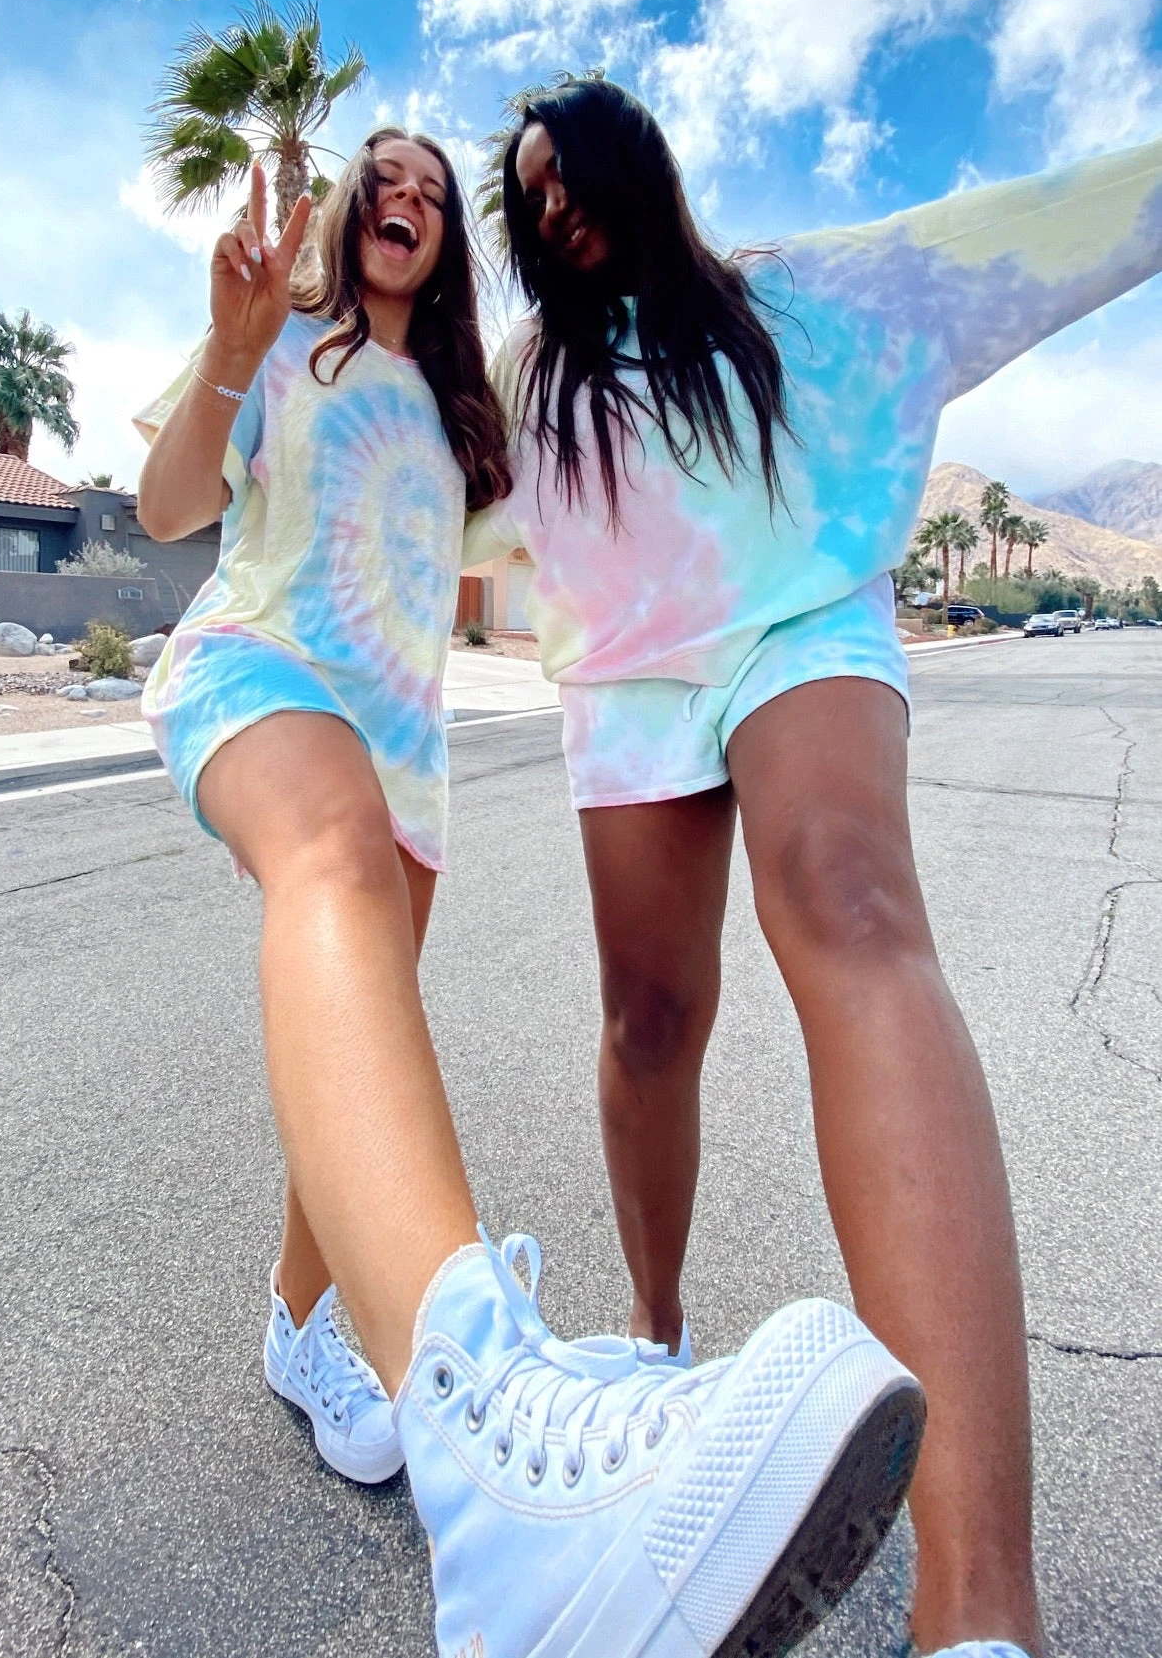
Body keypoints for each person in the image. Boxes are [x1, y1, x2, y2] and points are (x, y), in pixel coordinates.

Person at [134, 130, 926, 1656]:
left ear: (448, 243)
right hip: (256, 674)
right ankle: (487, 1431)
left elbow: (587, 523)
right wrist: (229, 354)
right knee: (329, 862)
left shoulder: (463, 412)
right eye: (385, 179)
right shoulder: (282, 339)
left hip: (405, 766)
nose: (408, 198)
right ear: (351, 212)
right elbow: (170, 508)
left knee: (358, 1036)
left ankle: (307, 1327)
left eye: (433, 191)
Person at [468, 76, 1162, 1658]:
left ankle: (977, 1609)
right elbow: (406, 477)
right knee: (651, 1019)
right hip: (629, 683)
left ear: (641, 171)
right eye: (529, 194)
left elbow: (1033, 231)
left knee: (848, 899)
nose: (555, 206)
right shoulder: (529, 375)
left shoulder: (799, 297)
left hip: (802, 625)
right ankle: (654, 1332)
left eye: (573, 174)